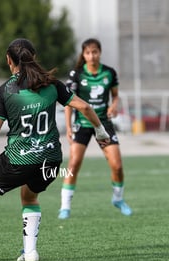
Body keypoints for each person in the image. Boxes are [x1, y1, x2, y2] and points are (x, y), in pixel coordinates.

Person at [0, 38, 110, 261]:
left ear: (8, 60)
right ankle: (30, 251)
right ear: (34, 57)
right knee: (30, 196)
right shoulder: (53, 85)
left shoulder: (5, 91)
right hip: (52, 160)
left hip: (19, 159)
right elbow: (84, 106)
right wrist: (101, 132)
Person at [58, 38, 132, 219]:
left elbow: (115, 96)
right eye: (88, 53)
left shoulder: (109, 73)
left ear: (100, 52)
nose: (91, 56)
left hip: (103, 124)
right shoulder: (76, 74)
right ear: (83, 55)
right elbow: (68, 102)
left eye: (95, 52)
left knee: (117, 165)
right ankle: (65, 206)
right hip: (81, 124)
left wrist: (114, 105)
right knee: (73, 164)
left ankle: (118, 199)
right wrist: (68, 127)